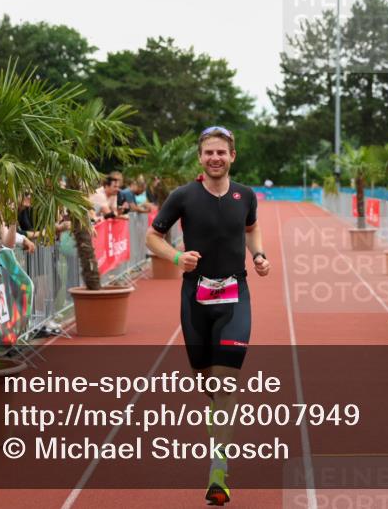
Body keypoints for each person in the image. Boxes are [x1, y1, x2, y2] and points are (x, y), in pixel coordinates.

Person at [145, 126, 269, 506]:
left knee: (226, 380)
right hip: (195, 299)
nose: (215, 158)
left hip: (235, 295)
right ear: (200, 158)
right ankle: (219, 430)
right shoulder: (183, 196)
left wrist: (259, 255)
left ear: (233, 155)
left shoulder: (245, 195)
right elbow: (152, 237)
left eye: (222, 152)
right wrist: (177, 258)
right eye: (209, 153)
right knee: (208, 382)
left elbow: (251, 227)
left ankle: (219, 468)